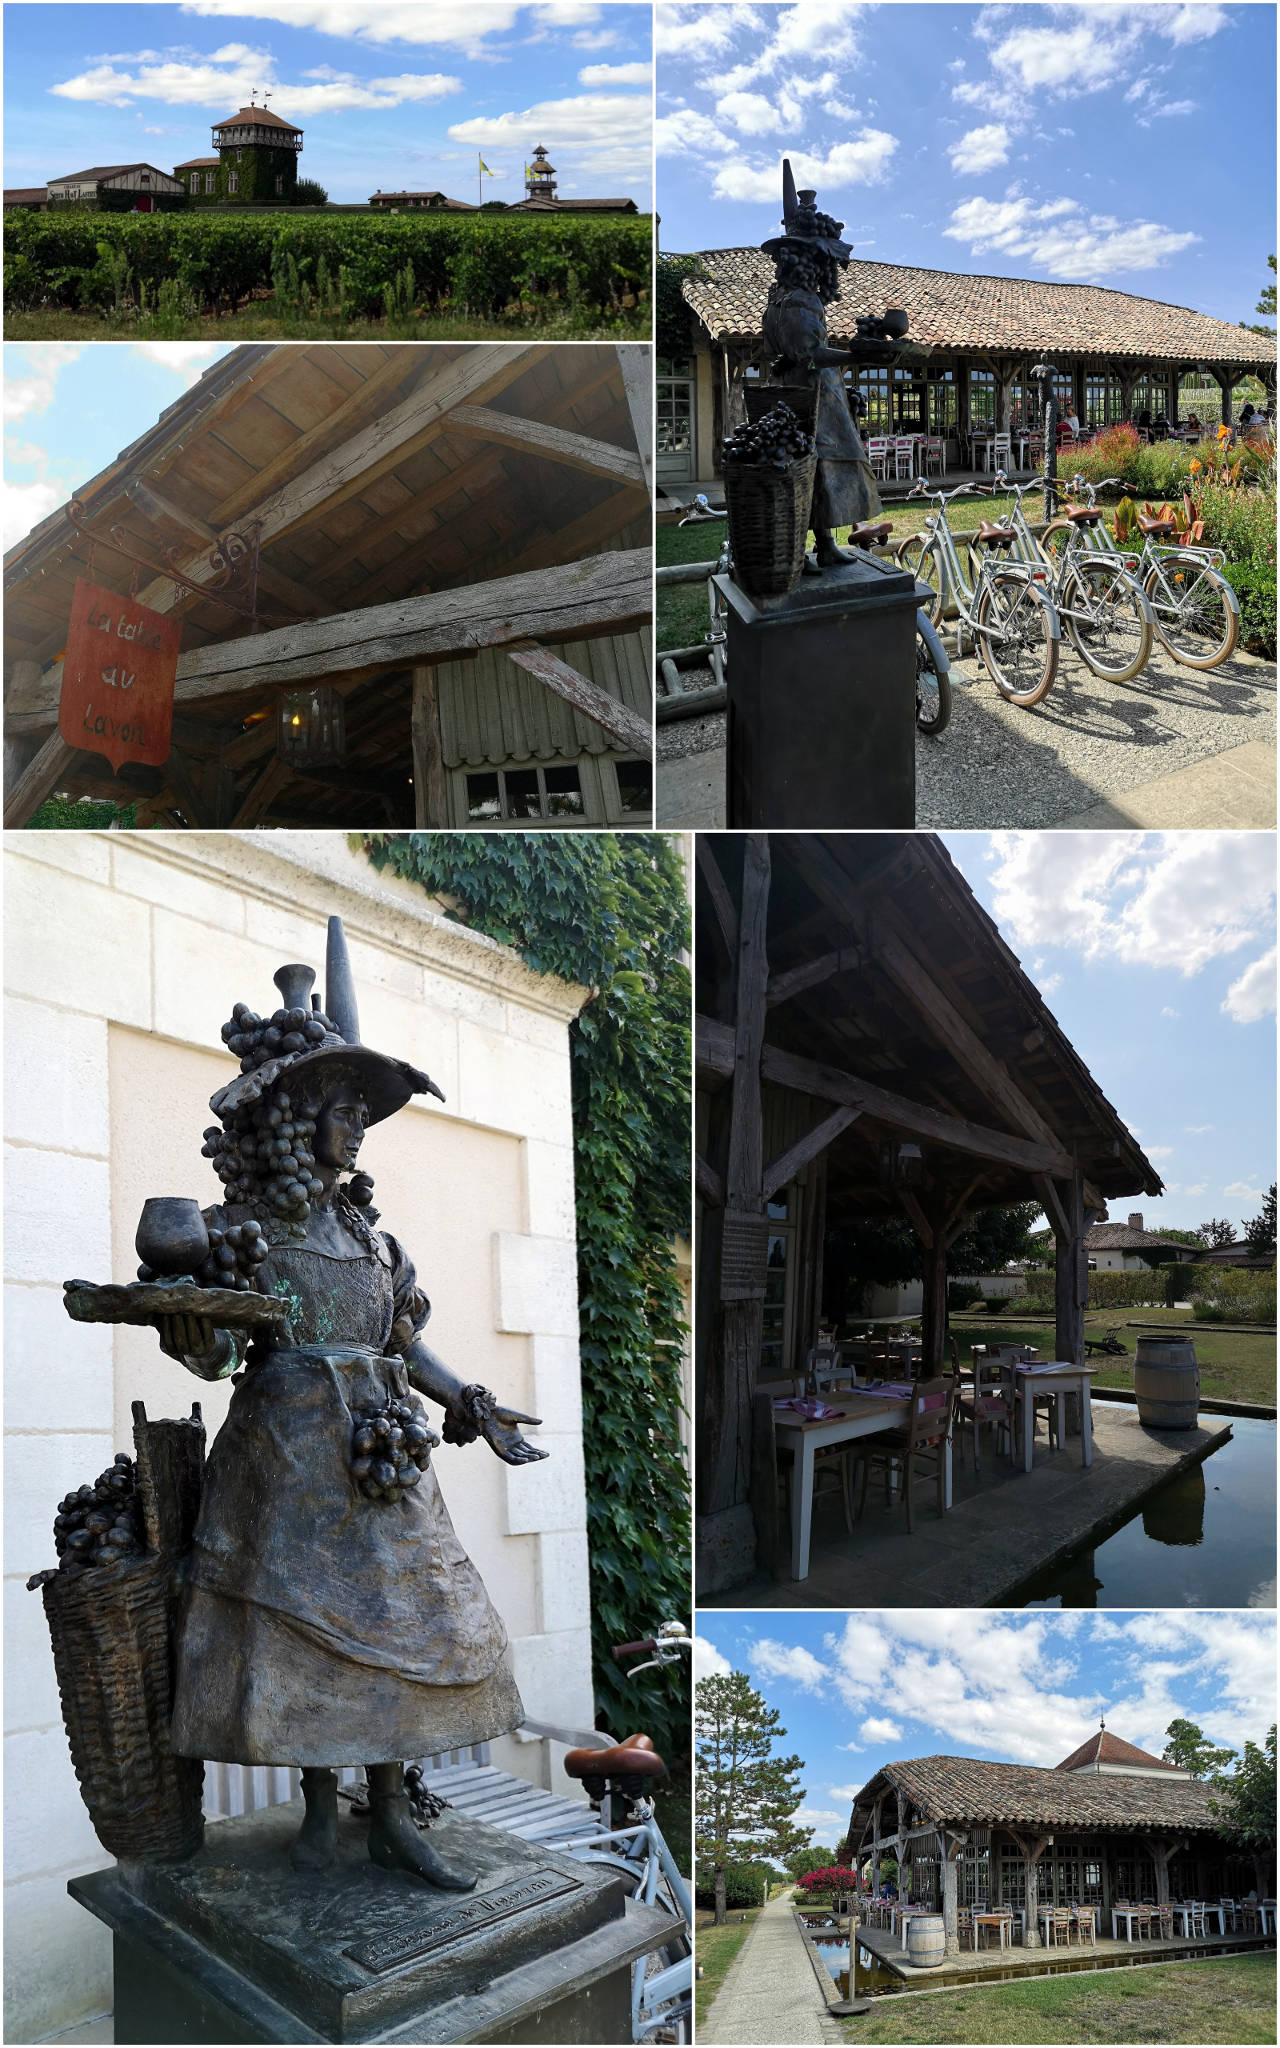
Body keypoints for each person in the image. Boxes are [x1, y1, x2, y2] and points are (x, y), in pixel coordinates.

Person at [155, 918, 546, 1891]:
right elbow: (214, 1347)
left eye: (360, 1110)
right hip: (284, 1460)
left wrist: (472, 1401)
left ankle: (388, 1814)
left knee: (413, 1623)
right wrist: (188, 1327)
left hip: (381, 1459)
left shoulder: (372, 1237)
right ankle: (322, 1817)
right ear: (296, 1118)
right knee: (304, 1638)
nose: (355, 1124)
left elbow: (399, 1342)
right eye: (338, 1105)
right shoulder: (239, 1228)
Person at [759, 164, 880, 567]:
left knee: (814, 470)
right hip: (811, 400)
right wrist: (856, 356)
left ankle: (824, 544)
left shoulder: (779, 299)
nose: (830, 273)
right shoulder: (798, 301)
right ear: (811, 261)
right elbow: (809, 354)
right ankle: (809, 547)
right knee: (815, 468)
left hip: (805, 395)